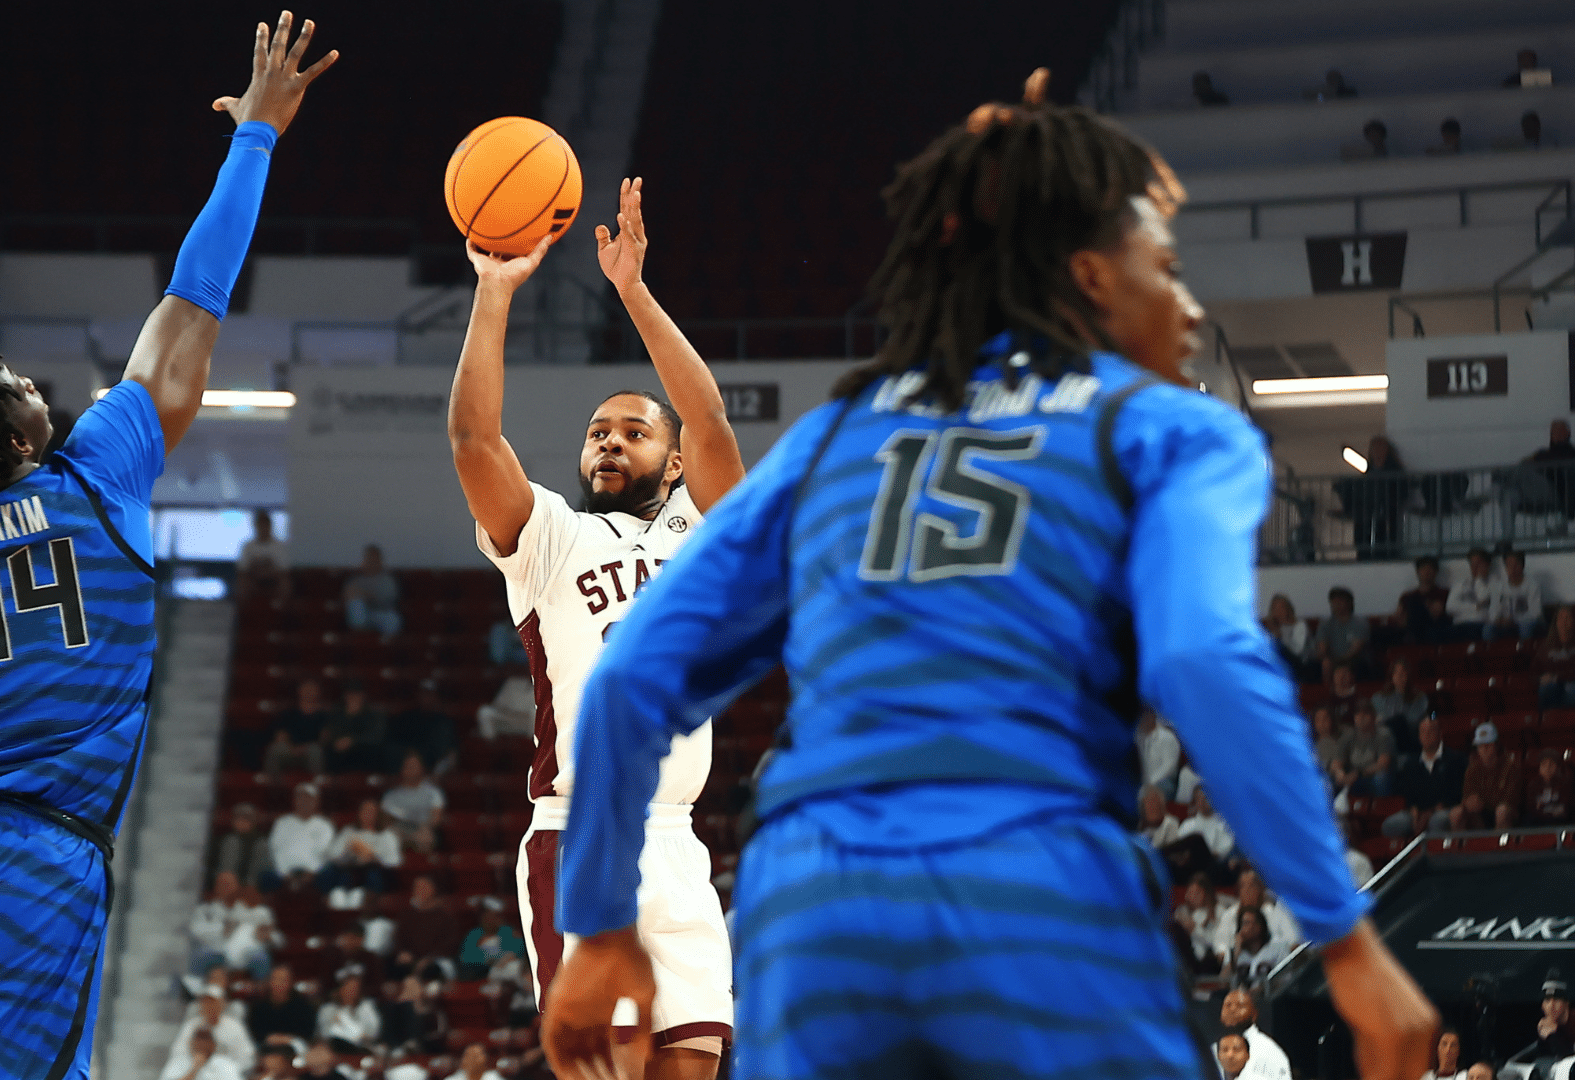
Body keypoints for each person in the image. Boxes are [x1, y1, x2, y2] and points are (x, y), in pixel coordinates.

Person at [538, 77, 1436, 1080]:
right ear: (1092, 277)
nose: (1185, 310)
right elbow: (1201, 657)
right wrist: (1345, 938)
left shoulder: (841, 433)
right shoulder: (1170, 429)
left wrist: (600, 925)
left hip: (815, 915)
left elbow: (632, 682)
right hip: (1034, 874)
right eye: (1167, 270)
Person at [0, 18, 337, 1079]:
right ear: (12, 437)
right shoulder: (102, 468)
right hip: (46, 855)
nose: (40, 388)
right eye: (23, 389)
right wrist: (256, 139)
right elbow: (193, 302)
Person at [450, 173, 747, 1075]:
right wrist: (492, 293)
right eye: (595, 431)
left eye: (631, 431)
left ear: (672, 459)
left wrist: (633, 291)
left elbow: (710, 414)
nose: (608, 441)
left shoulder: (708, 532)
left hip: (678, 837)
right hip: (579, 831)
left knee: (692, 1068)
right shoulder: (549, 537)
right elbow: (473, 442)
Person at [1383, 717, 1466, 836]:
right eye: (1423, 732)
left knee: (1437, 820)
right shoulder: (1411, 763)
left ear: (1440, 734)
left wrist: (1431, 811)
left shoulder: (1454, 759)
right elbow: (1407, 792)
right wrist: (1413, 809)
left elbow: (1456, 792)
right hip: (1417, 811)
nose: (1426, 735)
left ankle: (1437, 853)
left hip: (1444, 809)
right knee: (1391, 824)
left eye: (1430, 731)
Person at [315, 798, 401, 901]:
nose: (367, 814)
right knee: (330, 871)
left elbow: (394, 861)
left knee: (372, 875)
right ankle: (332, 899)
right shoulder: (349, 831)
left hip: (374, 870)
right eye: (364, 811)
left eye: (371, 811)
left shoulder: (386, 835)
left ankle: (367, 901)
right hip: (348, 868)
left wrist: (373, 857)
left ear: (378, 814)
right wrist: (347, 850)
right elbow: (333, 854)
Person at [169, 989, 257, 1077]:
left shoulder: (235, 1027)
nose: (209, 1006)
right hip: (193, 1068)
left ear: (222, 1004)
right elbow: (178, 1052)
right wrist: (196, 1064)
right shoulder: (191, 1026)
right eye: (205, 1002)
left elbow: (247, 1056)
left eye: (213, 1002)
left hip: (227, 1070)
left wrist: (228, 1069)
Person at [391, 875, 463, 982]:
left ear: (433, 889)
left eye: (423, 887)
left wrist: (430, 958)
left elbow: (450, 944)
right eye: (416, 888)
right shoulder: (407, 915)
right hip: (411, 960)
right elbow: (399, 938)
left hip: (436, 961)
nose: (419, 891)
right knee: (393, 965)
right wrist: (402, 952)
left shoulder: (446, 916)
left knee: (429, 970)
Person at [1453, 724, 1523, 831]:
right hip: (1479, 814)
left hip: (1505, 813)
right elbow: (1467, 794)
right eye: (1480, 746)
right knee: (1456, 813)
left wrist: (1483, 802)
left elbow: (1511, 799)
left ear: (1496, 745)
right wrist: (1469, 802)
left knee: (1501, 811)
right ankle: (1461, 847)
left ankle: (1500, 845)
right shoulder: (1472, 769)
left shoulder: (1510, 767)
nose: (1484, 749)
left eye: (1488, 745)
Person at [1504, 971, 1572, 1079]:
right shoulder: (1545, 1025)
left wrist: (1552, 1035)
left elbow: (1569, 1060)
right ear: (1542, 1006)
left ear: (1566, 1003)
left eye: (1557, 999)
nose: (1551, 1005)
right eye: (1547, 1000)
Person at [268, 783, 335, 891]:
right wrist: (284, 873)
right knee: (267, 876)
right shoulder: (282, 822)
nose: (304, 801)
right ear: (294, 800)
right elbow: (274, 850)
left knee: (329, 875)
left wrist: (312, 873)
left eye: (308, 798)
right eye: (300, 797)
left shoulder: (325, 825)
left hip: (315, 873)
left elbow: (327, 853)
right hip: (284, 872)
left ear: (316, 801)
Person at [264, 679, 329, 779]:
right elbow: (280, 735)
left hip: (310, 750)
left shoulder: (324, 715)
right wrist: (291, 748)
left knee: (316, 751)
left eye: (312, 689)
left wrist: (305, 748)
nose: (308, 691)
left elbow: (324, 739)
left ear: (318, 692)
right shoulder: (289, 712)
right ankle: (272, 783)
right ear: (299, 691)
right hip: (290, 749)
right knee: (275, 749)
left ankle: (317, 784)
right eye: (305, 688)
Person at [380, 752, 443, 854]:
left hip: (423, 827)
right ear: (402, 769)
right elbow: (385, 821)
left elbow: (436, 818)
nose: (411, 769)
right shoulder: (391, 795)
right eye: (408, 766)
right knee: (389, 838)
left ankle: (422, 868)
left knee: (425, 838)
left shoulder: (433, 792)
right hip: (400, 828)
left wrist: (425, 829)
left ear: (422, 768)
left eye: (414, 766)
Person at [1220, 988, 1290, 1080]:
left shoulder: (1268, 1050)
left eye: (1240, 1005)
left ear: (1254, 1015)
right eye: (1228, 1005)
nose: (1232, 1010)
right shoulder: (1211, 1050)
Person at [387, 682, 455, 773]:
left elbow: (451, 753)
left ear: (436, 697)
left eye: (430, 695)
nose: (427, 699)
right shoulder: (405, 719)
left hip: (433, 772)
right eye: (424, 694)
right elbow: (394, 744)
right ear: (418, 696)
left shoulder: (444, 722)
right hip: (405, 768)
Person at [247, 964, 317, 1051]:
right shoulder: (258, 1007)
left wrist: (286, 1039)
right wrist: (270, 1038)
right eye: (275, 979)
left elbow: (307, 1034)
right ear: (269, 981)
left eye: (283, 980)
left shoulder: (303, 1007)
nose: (279, 984)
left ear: (291, 982)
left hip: (294, 1047)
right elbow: (254, 1032)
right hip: (266, 1047)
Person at [207, 803, 275, 892]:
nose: (242, 822)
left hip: (252, 886)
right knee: (232, 841)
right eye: (239, 818)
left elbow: (265, 868)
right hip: (224, 883)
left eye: (247, 819)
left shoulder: (261, 842)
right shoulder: (222, 840)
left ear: (254, 822)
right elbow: (211, 864)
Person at [1333, 705, 1397, 798]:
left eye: (1365, 714)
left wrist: (1358, 773)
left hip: (1371, 776)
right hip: (1353, 778)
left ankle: (1381, 809)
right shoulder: (1348, 735)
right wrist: (1339, 773)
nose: (1361, 717)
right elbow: (1336, 762)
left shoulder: (1383, 735)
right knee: (1331, 779)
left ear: (1374, 717)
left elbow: (1383, 764)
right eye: (1358, 714)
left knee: (1380, 778)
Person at [457, 902, 526, 981]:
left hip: (505, 964)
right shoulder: (474, 934)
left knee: (515, 966)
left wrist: (510, 956)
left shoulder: (507, 931)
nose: (490, 920)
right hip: (482, 967)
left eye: (494, 917)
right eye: (487, 917)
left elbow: (519, 946)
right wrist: (490, 960)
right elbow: (465, 956)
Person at [342, 545, 402, 637]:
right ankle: (360, 641)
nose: (372, 563)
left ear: (380, 561)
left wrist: (364, 594)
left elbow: (386, 599)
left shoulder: (387, 580)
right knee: (356, 605)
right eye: (369, 559)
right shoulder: (356, 580)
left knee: (392, 619)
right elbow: (348, 595)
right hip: (362, 615)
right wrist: (359, 595)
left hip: (381, 613)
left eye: (375, 560)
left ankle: (386, 646)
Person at [314, 974, 382, 1055]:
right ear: (340, 989)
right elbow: (324, 1033)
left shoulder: (366, 1007)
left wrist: (359, 1035)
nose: (351, 991)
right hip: (333, 1050)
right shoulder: (327, 1009)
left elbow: (374, 1032)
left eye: (355, 988)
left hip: (361, 1049)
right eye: (348, 987)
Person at [1315, 587, 1373, 680]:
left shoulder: (1360, 623)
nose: (1335, 604)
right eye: (1333, 601)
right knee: (1324, 664)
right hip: (1332, 660)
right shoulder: (1325, 623)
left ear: (1349, 603)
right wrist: (1326, 658)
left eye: (1339, 601)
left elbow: (1355, 650)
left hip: (1355, 661)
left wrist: (1339, 662)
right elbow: (1322, 648)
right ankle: (1328, 692)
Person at [1374, 659, 1429, 753]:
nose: (1400, 676)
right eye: (1396, 672)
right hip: (1385, 739)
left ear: (1409, 675)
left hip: (1409, 738)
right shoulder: (1379, 697)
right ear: (1391, 676)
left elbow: (1413, 721)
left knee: (1399, 721)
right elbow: (1378, 721)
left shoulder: (1419, 698)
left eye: (1403, 672)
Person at [1397, 556, 1454, 645]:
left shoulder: (1444, 594)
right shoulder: (1407, 596)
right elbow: (1400, 619)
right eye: (1423, 569)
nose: (1427, 572)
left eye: (1430, 569)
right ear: (1418, 572)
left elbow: (1440, 614)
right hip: (1412, 631)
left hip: (1435, 631)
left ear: (1436, 572)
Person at [1448, 548, 1499, 640]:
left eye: (1478, 563)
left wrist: (1479, 580)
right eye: (1472, 564)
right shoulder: (1460, 584)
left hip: (1480, 625)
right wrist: (1476, 606)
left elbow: (1484, 598)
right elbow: (1450, 607)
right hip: (1460, 625)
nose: (1475, 567)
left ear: (1487, 564)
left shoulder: (1495, 584)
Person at [1490, 551, 1543, 639]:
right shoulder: (1499, 586)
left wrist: (1514, 620)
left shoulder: (1533, 585)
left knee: (1525, 627)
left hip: (1526, 622)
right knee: (1488, 629)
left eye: (1516, 565)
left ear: (1522, 566)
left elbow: (1536, 613)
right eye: (1509, 565)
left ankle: (1525, 652)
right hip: (1504, 622)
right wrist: (1498, 619)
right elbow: (1493, 609)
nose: (1512, 569)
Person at [237, 509, 290, 595]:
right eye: (260, 525)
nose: (263, 528)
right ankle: (246, 607)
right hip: (253, 579)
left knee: (285, 582)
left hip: (273, 579)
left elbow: (284, 570)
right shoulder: (248, 547)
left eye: (265, 525)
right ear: (256, 526)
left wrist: (268, 571)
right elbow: (242, 569)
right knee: (241, 582)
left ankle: (279, 606)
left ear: (270, 526)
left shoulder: (279, 546)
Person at [162, 1026, 246, 1080]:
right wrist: (194, 1069)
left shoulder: (225, 1063)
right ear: (191, 1043)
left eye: (205, 1039)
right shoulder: (178, 1062)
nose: (201, 1044)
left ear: (213, 1044)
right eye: (198, 1039)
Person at [1263, 594, 1314, 682]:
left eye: (1281, 608)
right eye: (1275, 608)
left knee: (1278, 646)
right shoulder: (1272, 628)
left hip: (1300, 664)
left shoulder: (1300, 625)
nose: (1278, 611)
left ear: (1288, 609)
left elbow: (1297, 651)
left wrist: (1280, 638)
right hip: (1278, 665)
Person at [473, 675, 535, 740]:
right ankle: (489, 744)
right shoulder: (511, 682)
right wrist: (508, 709)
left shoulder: (542, 685)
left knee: (535, 714)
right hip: (506, 717)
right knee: (484, 711)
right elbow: (498, 703)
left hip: (526, 721)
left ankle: (531, 745)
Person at [1538, 606, 1575, 708]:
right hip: (1554, 681)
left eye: (1567, 618)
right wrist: (1541, 678)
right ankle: (1547, 720)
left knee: (1571, 689)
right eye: (1561, 618)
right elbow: (1536, 669)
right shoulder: (1548, 644)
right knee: (1545, 688)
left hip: (1569, 681)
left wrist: (1556, 677)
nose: (1564, 622)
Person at [1137, 711, 1181, 799]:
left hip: (1166, 781)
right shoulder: (1140, 736)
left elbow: (1169, 766)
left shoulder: (1166, 737)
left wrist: (1151, 781)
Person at [1525, 752, 1573, 825]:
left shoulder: (1565, 785)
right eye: (1544, 764)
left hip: (1559, 821)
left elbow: (1566, 808)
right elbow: (1531, 808)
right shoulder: (1533, 785)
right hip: (1538, 821)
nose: (1547, 768)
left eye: (1551, 764)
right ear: (1539, 768)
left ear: (1557, 767)